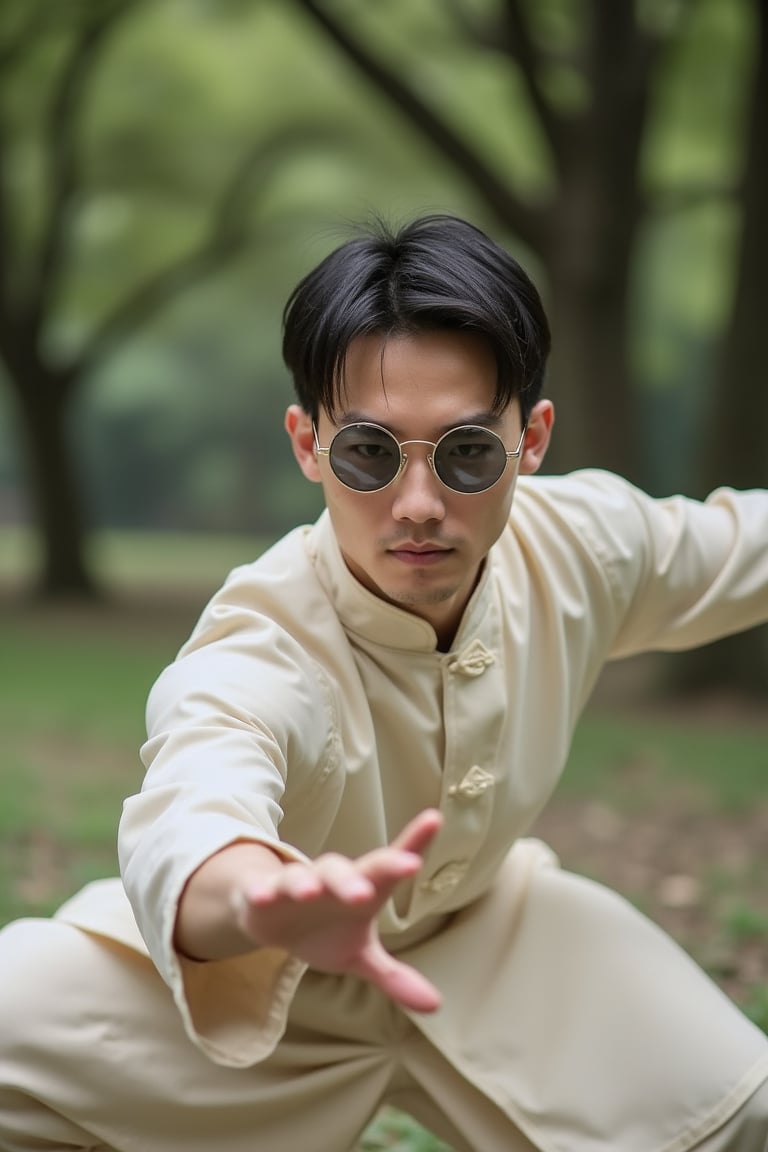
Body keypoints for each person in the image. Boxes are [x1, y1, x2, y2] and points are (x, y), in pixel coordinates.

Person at [0, 214, 766, 1152]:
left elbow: (740, 547)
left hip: (496, 938)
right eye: (369, 451)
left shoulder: (584, 543)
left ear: (531, 438)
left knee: (740, 1114)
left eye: (467, 453)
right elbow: (195, 804)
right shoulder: (261, 641)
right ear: (306, 443)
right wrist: (254, 899)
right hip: (257, 970)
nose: (417, 506)